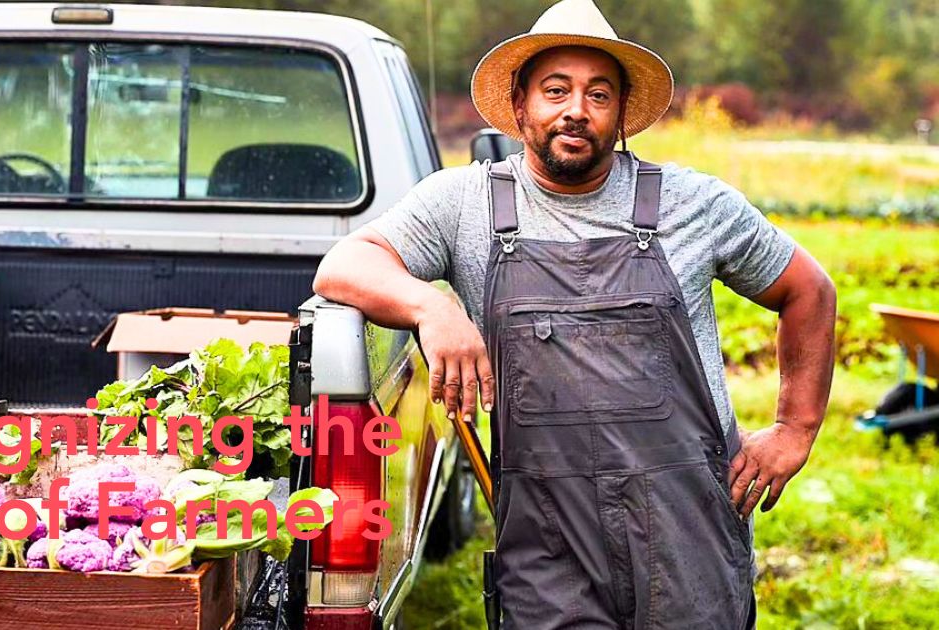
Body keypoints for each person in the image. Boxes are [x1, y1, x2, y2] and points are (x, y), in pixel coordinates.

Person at [312, 0, 837, 627]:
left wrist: (795, 428)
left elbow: (810, 290)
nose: (576, 111)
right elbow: (344, 264)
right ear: (520, 102)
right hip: (547, 545)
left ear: (620, 115)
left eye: (598, 94)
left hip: (686, 533)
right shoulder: (465, 204)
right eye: (556, 90)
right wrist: (431, 305)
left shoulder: (692, 203)